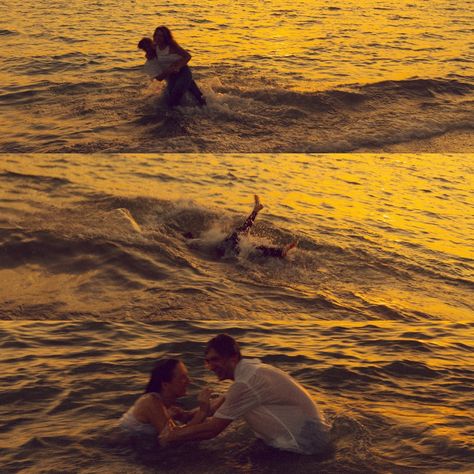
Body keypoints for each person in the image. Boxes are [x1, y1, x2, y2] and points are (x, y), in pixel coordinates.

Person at [159, 335, 331, 455]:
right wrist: (187, 415)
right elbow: (222, 402)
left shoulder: (246, 383)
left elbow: (212, 430)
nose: (210, 366)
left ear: (233, 358)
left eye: (215, 360)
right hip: (314, 435)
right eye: (208, 361)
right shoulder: (250, 370)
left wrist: (172, 435)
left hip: (302, 447)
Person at [119, 358, 222, 436]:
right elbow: (171, 438)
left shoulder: (166, 404)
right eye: (183, 377)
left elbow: (188, 417)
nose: (189, 381)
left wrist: (224, 399)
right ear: (165, 385)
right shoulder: (151, 401)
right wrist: (203, 411)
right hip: (121, 449)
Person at [139, 26, 206, 108]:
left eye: (161, 36)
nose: (158, 38)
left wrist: (177, 66)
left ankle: (207, 109)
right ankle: (179, 113)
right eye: (156, 35)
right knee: (170, 98)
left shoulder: (172, 47)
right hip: (171, 75)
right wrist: (168, 70)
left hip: (183, 72)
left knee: (181, 93)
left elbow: (187, 56)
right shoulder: (155, 47)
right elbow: (148, 48)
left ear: (166, 37)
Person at [214, 195, 296, 258]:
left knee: (251, 246)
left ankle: (279, 252)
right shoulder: (227, 239)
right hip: (231, 246)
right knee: (251, 246)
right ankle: (279, 252)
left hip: (230, 246)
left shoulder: (223, 239)